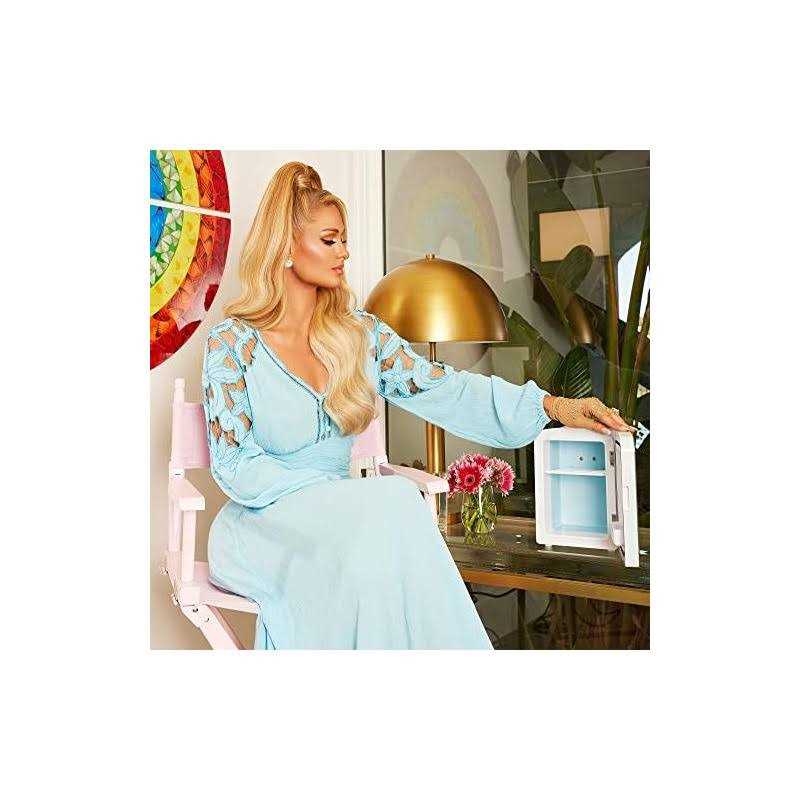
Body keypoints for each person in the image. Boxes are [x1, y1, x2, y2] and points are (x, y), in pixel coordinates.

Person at [201, 161, 635, 650]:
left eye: (344, 239)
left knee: (381, 532)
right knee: (389, 504)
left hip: (350, 525)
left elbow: (445, 388)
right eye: (329, 240)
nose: (344, 252)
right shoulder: (232, 345)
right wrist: (333, 499)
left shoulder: (359, 335)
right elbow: (235, 465)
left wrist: (551, 405)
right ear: (285, 247)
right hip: (263, 526)